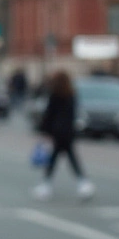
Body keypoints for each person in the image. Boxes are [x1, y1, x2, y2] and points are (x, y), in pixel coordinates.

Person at [33, 70, 95, 201]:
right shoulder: (72, 95)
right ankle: (83, 183)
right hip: (68, 132)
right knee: (70, 158)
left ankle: (47, 185)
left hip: (57, 132)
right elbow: (73, 114)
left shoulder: (54, 95)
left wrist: (45, 131)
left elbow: (49, 115)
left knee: (55, 159)